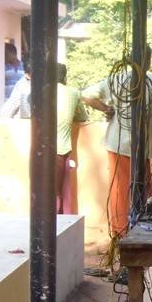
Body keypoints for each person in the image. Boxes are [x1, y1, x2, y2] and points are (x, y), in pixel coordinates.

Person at [81, 46, 152, 236]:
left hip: (119, 144)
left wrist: (106, 109)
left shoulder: (117, 78)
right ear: (148, 61)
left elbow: (86, 95)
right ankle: (138, 230)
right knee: (140, 189)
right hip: (136, 145)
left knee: (121, 190)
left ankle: (120, 232)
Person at [55, 63, 89, 214]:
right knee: (65, 191)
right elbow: (82, 116)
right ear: (65, 77)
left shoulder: (40, 92)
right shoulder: (73, 92)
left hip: (43, 150)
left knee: (49, 192)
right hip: (64, 148)